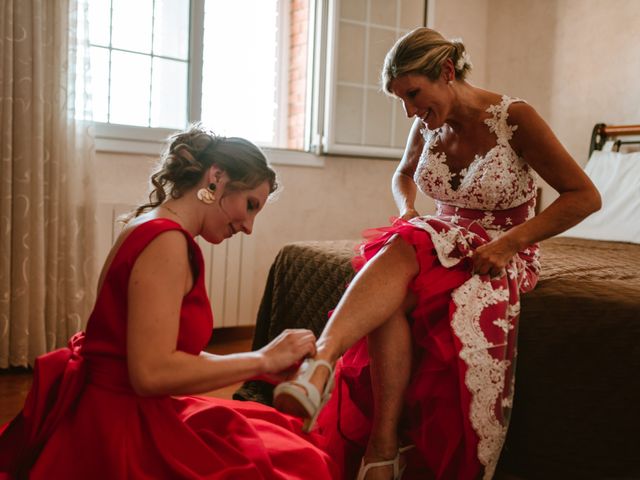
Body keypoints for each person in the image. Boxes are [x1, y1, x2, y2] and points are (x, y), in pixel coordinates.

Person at [273, 27, 601, 480]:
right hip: (438, 238)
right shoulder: (426, 125)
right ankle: (382, 446)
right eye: (402, 101)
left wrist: (510, 243)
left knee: (401, 254)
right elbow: (403, 174)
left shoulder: (515, 118)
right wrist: (407, 208)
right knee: (392, 288)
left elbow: (584, 196)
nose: (410, 110)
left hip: (499, 248)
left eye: (413, 94)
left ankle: (323, 368)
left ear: (446, 72)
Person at [0, 125, 338, 479]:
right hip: (118, 424)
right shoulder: (166, 242)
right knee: (296, 462)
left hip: (116, 404)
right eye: (250, 205)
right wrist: (260, 358)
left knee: (275, 433)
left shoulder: (149, 225)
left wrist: (261, 366)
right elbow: (150, 373)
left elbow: (159, 354)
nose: (249, 226)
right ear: (216, 178)